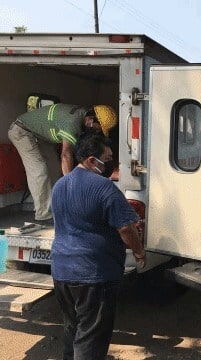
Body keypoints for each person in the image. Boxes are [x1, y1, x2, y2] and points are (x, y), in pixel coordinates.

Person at [51, 134, 146, 360]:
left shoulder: (60, 185)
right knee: (91, 337)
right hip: (93, 274)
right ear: (92, 160)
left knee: (72, 329)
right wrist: (140, 251)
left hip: (62, 272)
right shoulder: (105, 188)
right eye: (108, 158)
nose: (111, 163)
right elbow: (126, 229)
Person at [8, 104, 117, 224]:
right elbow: (65, 155)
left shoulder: (81, 117)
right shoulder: (72, 123)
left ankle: (56, 208)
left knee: (54, 169)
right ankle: (43, 215)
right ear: (91, 119)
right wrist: (71, 183)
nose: (97, 131)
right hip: (22, 131)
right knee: (39, 171)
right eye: (98, 128)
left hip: (41, 137)